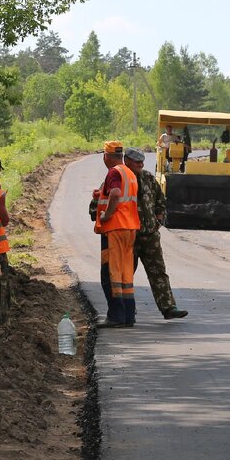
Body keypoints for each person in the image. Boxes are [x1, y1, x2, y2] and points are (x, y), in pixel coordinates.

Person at [124, 148, 188, 319]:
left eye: (142, 162)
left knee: (158, 272)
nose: (141, 164)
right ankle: (126, 310)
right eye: (137, 162)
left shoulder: (148, 178)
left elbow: (160, 200)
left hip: (150, 236)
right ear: (127, 161)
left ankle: (168, 308)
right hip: (128, 237)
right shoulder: (119, 178)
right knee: (125, 274)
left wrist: (158, 220)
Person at [93, 140, 139, 327]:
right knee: (125, 274)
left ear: (107, 156)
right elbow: (121, 195)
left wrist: (106, 215)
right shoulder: (129, 172)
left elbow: (116, 194)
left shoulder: (113, 172)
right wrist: (100, 195)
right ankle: (128, 316)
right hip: (129, 228)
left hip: (115, 228)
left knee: (110, 272)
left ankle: (115, 316)